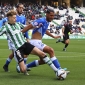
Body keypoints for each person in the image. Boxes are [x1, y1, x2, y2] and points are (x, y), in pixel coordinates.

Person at [0, 10, 63, 77]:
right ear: (9, 18)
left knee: (42, 54)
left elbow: (27, 26)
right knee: (23, 69)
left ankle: (57, 71)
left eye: (16, 17)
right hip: (18, 49)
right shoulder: (5, 27)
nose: (15, 19)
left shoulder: (18, 24)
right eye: (14, 18)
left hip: (25, 44)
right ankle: (21, 67)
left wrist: (37, 26)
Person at [21, 8, 69, 73]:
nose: (52, 17)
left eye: (53, 16)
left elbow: (45, 31)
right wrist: (20, 33)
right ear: (46, 14)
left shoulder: (46, 22)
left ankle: (25, 67)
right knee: (50, 50)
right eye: (51, 15)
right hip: (35, 42)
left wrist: (53, 36)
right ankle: (59, 70)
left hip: (38, 42)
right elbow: (29, 26)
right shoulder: (41, 20)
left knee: (43, 61)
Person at [3, 3, 29, 72]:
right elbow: (2, 21)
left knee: (23, 53)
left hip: (20, 37)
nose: (22, 9)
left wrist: (27, 37)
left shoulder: (23, 17)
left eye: (23, 8)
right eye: (20, 7)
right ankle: (21, 66)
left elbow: (25, 28)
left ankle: (8, 65)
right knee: (16, 52)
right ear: (17, 8)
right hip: (12, 39)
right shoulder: (12, 15)